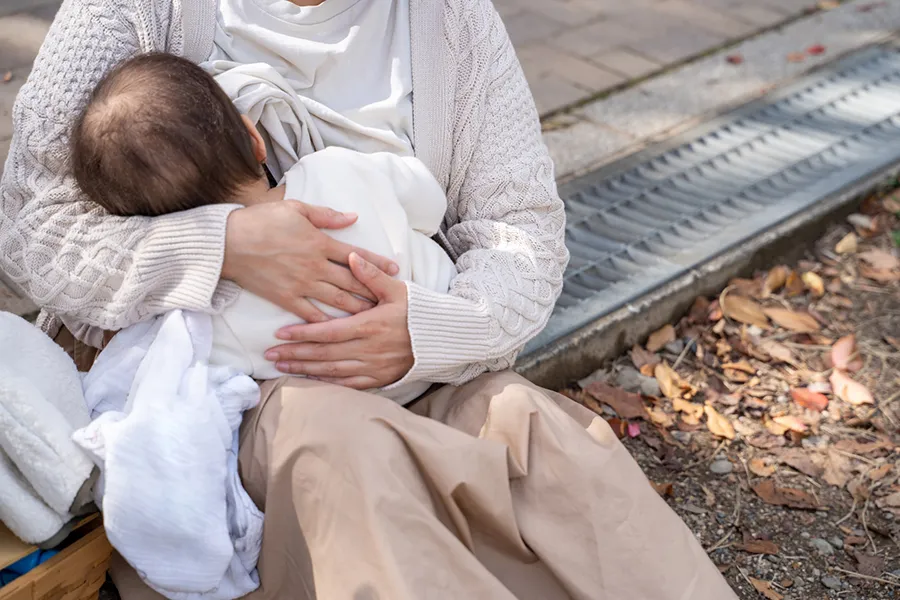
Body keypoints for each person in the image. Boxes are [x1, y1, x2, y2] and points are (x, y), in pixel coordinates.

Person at [0, 0, 739, 598]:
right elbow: (31, 229)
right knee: (344, 450)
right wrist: (223, 244)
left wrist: (425, 330)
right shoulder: (135, 8)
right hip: (226, 391)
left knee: (538, 435)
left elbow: (523, 233)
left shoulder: (451, 22)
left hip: (410, 358)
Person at [70, 52, 455, 403]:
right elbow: (430, 204)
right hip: (440, 340)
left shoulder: (211, 315)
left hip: (365, 405)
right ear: (255, 139)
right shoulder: (338, 167)